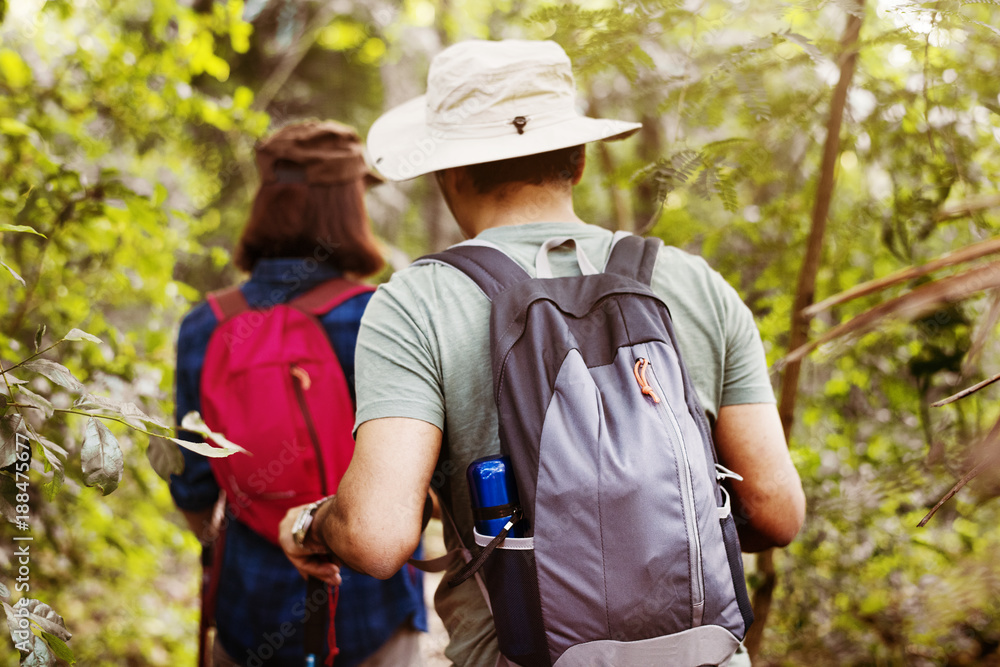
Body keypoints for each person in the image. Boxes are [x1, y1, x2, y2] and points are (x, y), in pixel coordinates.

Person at [278, 40, 806, 666]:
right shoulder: (695, 285)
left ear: (447, 171)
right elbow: (776, 514)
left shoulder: (417, 302)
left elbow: (375, 535)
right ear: (579, 159)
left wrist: (311, 527)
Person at [170, 120, 427, 667]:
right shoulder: (378, 315)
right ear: (347, 207)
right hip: (369, 607)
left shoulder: (205, 325)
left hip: (247, 612)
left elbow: (191, 484)